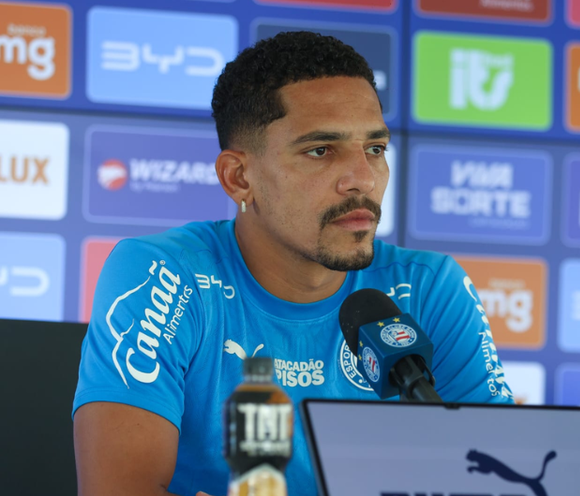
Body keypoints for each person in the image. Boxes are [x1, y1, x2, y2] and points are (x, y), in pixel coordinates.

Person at [73, 31, 514, 496]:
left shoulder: (429, 287)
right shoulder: (166, 273)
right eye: (320, 150)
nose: (362, 179)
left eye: (375, 149)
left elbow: (502, 479)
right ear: (239, 177)